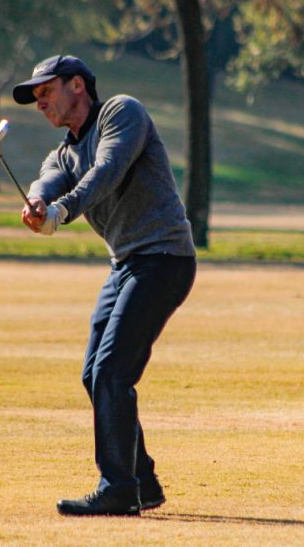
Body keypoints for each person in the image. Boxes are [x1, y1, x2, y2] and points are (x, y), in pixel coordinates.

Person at [12, 55, 197, 516]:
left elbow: (107, 170)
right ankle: (143, 483)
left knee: (114, 372)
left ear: (78, 85)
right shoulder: (63, 152)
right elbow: (49, 178)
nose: (40, 103)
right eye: (35, 97)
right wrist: (38, 202)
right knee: (95, 374)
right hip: (127, 265)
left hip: (164, 258)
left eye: (45, 91)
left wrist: (62, 211)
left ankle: (117, 488)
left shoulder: (121, 112)